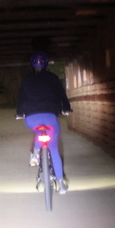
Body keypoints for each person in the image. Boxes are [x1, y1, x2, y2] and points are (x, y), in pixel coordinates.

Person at [15, 51, 72, 194]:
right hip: (50, 118)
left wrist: (19, 113)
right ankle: (61, 183)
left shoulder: (27, 79)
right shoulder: (53, 78)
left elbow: (21, 98)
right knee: (53, 149)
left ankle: (35, 152)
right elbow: (62, 95)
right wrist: (66, 109)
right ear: (46, 64)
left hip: (31, 119)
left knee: (38, 131)